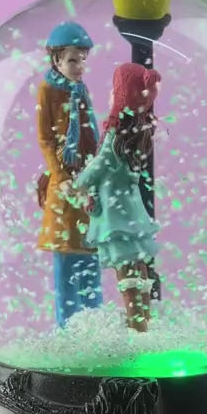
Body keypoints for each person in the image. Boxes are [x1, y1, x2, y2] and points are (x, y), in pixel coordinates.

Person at [75, 63, 161, 333]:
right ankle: (144, 319)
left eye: (116, 89)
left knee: (126, 271)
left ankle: (138, 327)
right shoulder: (139, 130)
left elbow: (99, 166)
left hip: (115, 216)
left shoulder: (116, 135)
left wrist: (78, 183)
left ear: (124, 94)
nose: (112, 94)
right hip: (132, 211)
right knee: (139, 267)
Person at [36, 21, 102, 327]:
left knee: (90, 253)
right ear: (56, 60)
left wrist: (97, 170)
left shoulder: (80, 90)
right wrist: (60, 177)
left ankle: (94, 320)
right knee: (65, 258)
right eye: (73, 60)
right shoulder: (48, 90)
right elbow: (46, 140)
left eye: (83, 60)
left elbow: (90, 134)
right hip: (64, 183)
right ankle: (67, 326)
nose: (79, 67)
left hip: (86, 181)